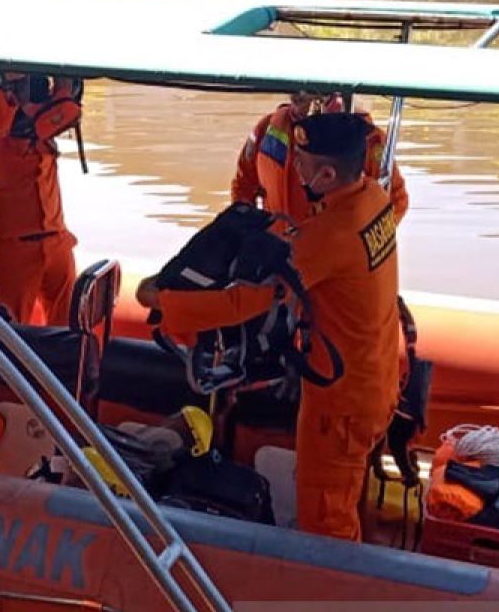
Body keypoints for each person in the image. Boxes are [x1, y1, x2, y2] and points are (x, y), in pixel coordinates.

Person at [137, 113, 400, 541]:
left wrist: (162, 301)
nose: (296, 171)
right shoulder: (374, 198)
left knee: (326, 516)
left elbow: (243, 302)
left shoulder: (330, 236)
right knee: (345, 493)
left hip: (340, 402)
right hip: (377, 377)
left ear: (327, 173)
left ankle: (329, 597)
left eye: (304, 164)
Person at [0, 72, 81, 325]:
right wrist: (12, 86)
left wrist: (63, 82)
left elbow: (67, 107)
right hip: (17, 248)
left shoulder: (44, 133)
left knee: (66, 332)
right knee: (8, 333)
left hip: (57, 239)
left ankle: (57, 366)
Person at [232, 91, 409, 224]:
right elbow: (243, 185)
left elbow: (396, 199)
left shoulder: (366, 137)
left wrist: (358, 244)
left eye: (306, 84)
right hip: (276, 256)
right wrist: (249, 232)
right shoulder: (267, 129)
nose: (296, 91)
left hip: (332, 256)